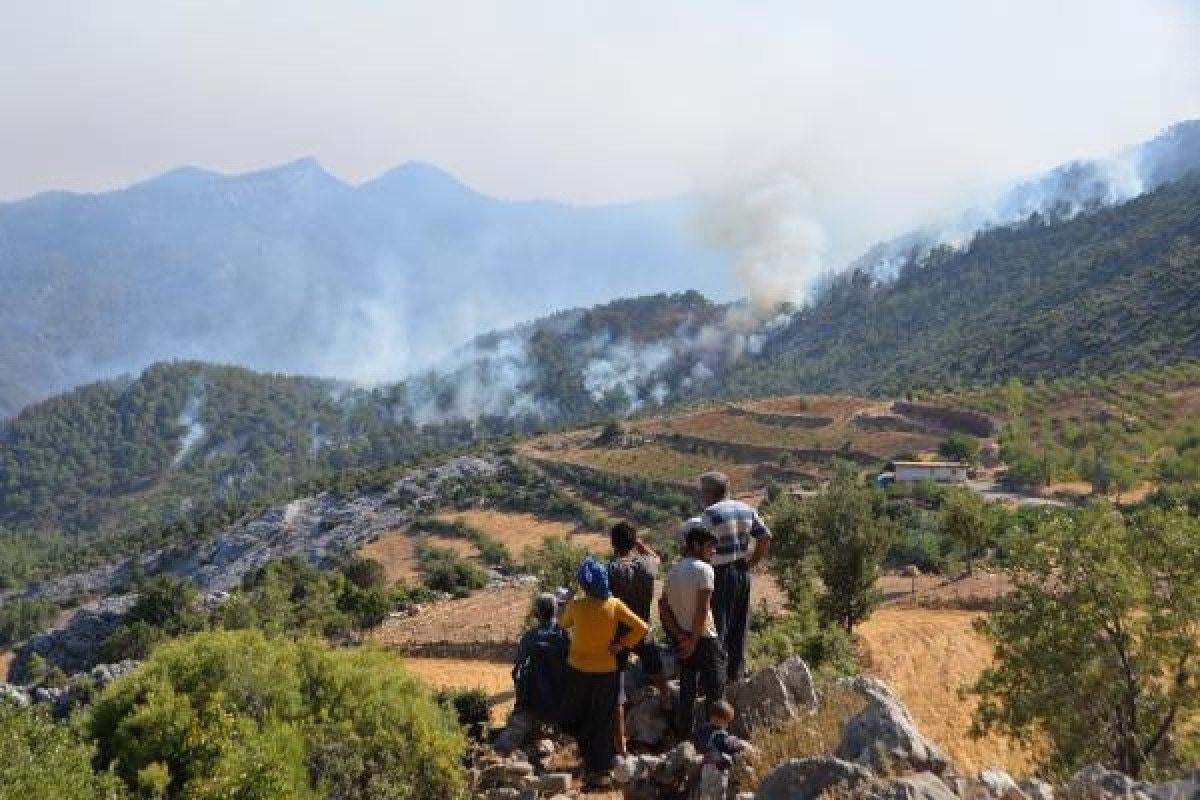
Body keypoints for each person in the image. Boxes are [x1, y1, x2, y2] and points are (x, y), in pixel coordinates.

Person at [559, 556, 649, 789]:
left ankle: (585, 759)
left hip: (578, 669)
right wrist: (621, 645)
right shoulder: (614, 604)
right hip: (606, 670)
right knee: (601, 718)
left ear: (584, 585)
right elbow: (642, 627)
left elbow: (563, 625)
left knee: (582, 713)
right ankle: (598, 769)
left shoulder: (577, 605)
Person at [698, 470, 772, 682]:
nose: (702, 496)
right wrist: (753, 562)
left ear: (710, 492)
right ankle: (735, 676)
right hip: (741, 571)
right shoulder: (746, 509)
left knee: (717, 627)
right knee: (739, 625)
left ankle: (714, 681)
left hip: (719, 573)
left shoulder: (710, 514)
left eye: (703, 491)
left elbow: (700, 547)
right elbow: (765, 536)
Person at [659, 520, 726, 738]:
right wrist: (694, 641)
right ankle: (713, 741)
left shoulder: (672, 573)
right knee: (715, 694)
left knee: (687, 694)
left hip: (683, 638)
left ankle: (684, 740)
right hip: (704, 639)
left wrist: (681, 637)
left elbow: (663, 609)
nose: (713, 552)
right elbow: (703, 609)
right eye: (709, 547)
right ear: (696, 545)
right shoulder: (705, 570)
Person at [497, 592, 569, 754]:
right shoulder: (565, 636)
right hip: (563, 702)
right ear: (556, 611)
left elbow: (518, 671)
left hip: (533, 703)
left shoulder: (529, 638)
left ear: (537, 614)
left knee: (504, 745)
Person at [692, 700, 750, 800]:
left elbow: (699, 740)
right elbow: (724, 747)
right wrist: (734, 750)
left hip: (706, 767)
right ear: (718, 719)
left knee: (705, 792)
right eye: (726, 722)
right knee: (719, 792)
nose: (727, 726)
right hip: (718, 768)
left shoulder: (704, 730)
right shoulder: (719, 734)